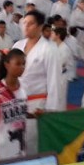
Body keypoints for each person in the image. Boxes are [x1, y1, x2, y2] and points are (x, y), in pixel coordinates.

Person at [13, 10, 63, 153]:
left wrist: (50, 110)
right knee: (14, 144)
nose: (26, 26)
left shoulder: (49, 49)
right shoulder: (17, 46)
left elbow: (54, 81)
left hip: (36, 106)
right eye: (25, 23)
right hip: (15, 103)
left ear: (40, 26)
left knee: (31, 145)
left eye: (31, 24)